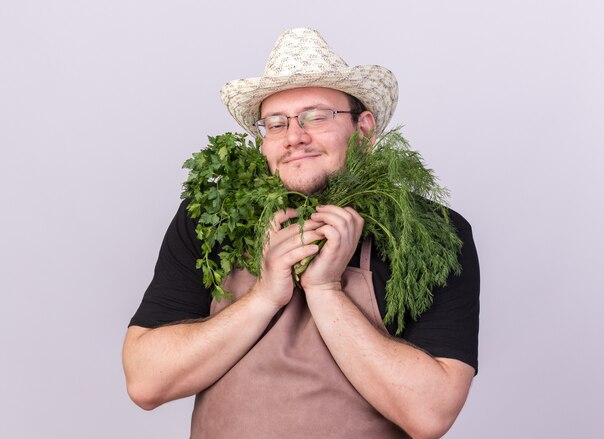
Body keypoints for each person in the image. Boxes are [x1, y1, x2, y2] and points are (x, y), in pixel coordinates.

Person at [123, 28, 479, 439]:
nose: (295, 137)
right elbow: (146, 381)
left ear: (364, 129)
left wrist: (325, 290)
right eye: (276, 124)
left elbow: (429, 415)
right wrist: (265, 296)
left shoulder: (432, 232)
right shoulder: (211, 219)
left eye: (316, 116)